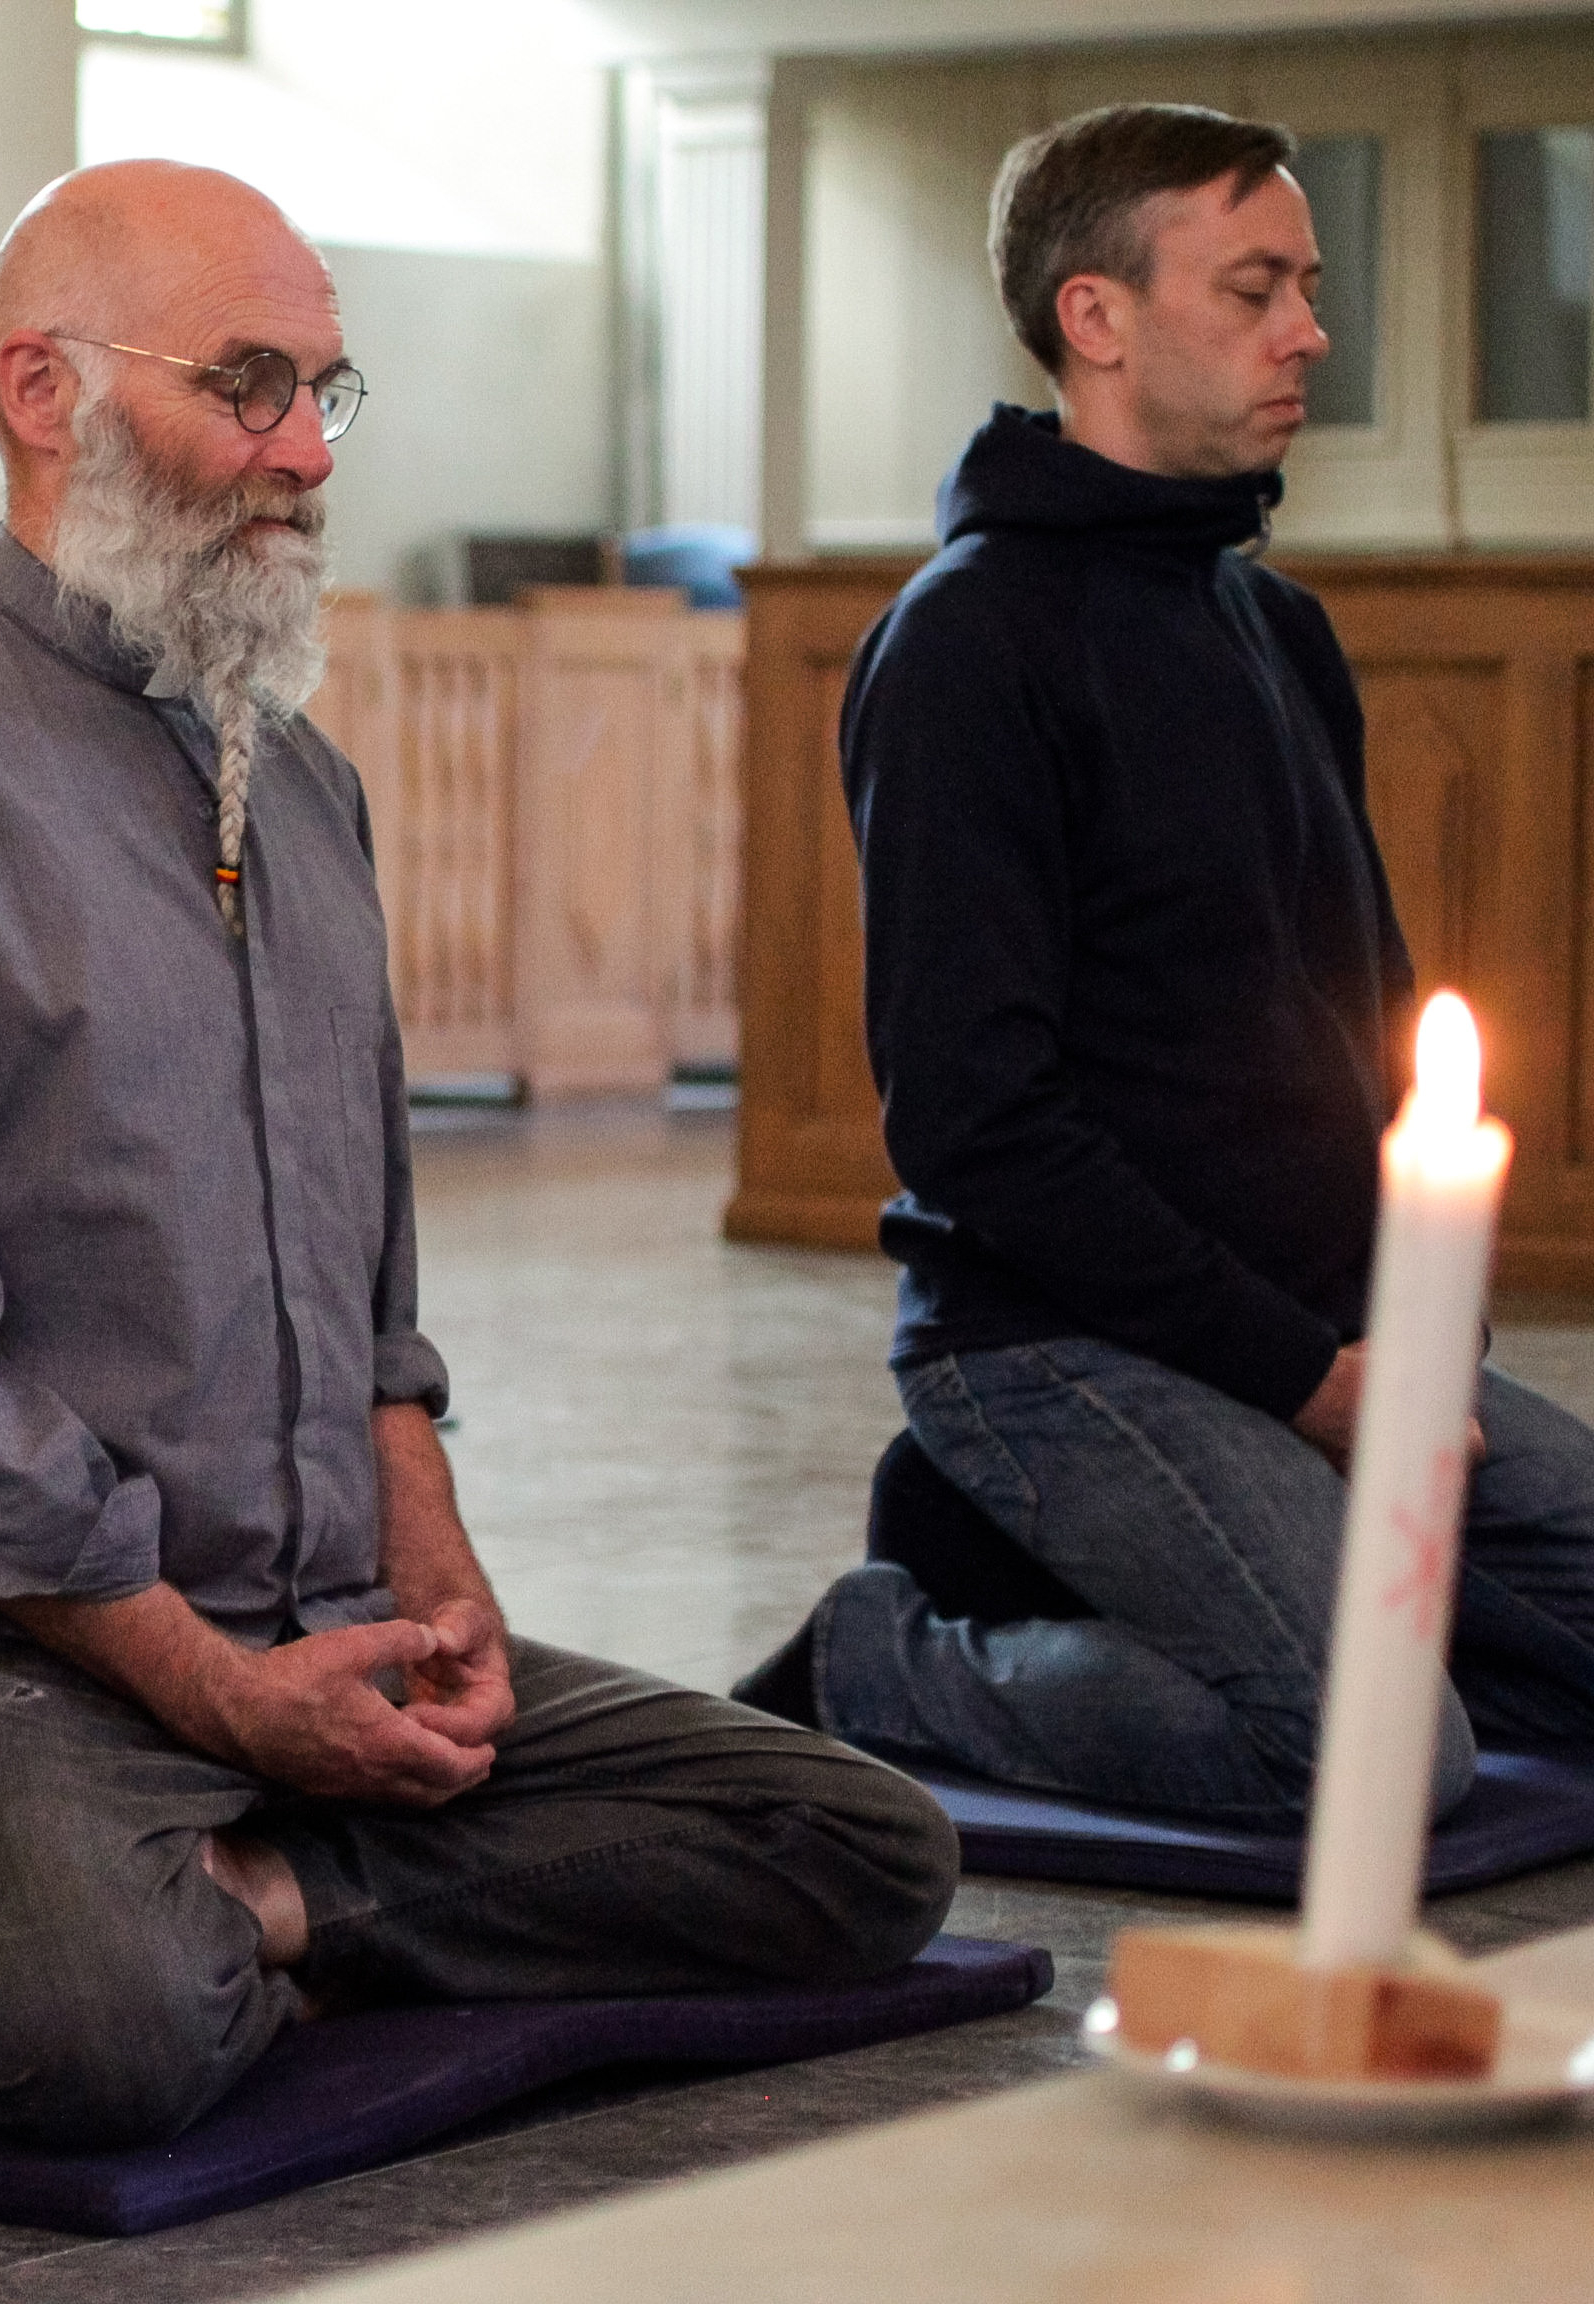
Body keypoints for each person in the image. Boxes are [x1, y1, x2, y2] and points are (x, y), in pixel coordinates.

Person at [0, 159, 960, 2150]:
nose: (305, 452)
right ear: (46, 391)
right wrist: (201, 1688)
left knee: (852, 1844)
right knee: (100, 2027)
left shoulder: (298, 786)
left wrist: (429, 1582)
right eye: (251, 385)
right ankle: (148, 1901)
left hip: (290, 1615)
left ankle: (274, 1902)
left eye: (326, 395)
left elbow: (367, 1293)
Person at [732, 104, 1594, 1825]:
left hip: (1319, 1334)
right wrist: (1308, 1380)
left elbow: (1363, 1029)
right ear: (1096, 317)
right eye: (1255, 287)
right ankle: (887, 1652)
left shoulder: (1269, 619)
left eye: (1308, 287)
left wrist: (1414, 1326)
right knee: (1375, 1758)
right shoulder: (968, 641)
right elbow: (976, 1120)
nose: (1309, 333)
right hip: (1060, 1345)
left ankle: (1236, 1590)